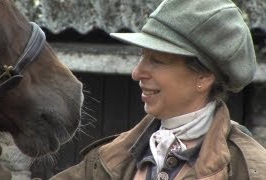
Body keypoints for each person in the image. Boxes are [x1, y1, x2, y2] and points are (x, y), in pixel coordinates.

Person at [51, 0, 266, 179]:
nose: (137, 72)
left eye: (158, 60)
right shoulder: (108, 159)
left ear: (204, 75)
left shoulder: (247, 170)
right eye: (142, 56)